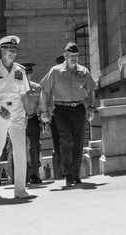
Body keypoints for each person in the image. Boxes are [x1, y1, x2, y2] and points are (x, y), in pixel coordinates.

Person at [0, 35, 32, 200]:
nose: (13, 52)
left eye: (15, 49)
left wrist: (26, 113)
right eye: (10, 49)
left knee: (20, 149)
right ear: (2, 50)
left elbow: (24, 94)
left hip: (17, 111)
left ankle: (20, 189)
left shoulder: (20, 71)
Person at [39, 42, 96, 186]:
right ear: (65, 56)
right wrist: (44, 111)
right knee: (66, 141)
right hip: (61, 110)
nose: (74, 58)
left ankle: (76, 174)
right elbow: (45, 90)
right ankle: (68, 174)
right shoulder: (55, 71)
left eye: (76, 55)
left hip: (78, 109)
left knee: (78, 142)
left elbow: (90, 90)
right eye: (71, 55)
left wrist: (90, 107)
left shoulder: (83, 71)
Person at [20, 62, 43, 185]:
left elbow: (41, 104)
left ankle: (34, 174)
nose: (27, 77)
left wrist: (43, 119)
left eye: (28, 75)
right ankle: (22, 176)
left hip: (33, 119)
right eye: (25, 75)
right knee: (20, 147)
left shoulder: (37, 88)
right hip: (19, 120)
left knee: (34, 146)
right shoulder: (16, 88)